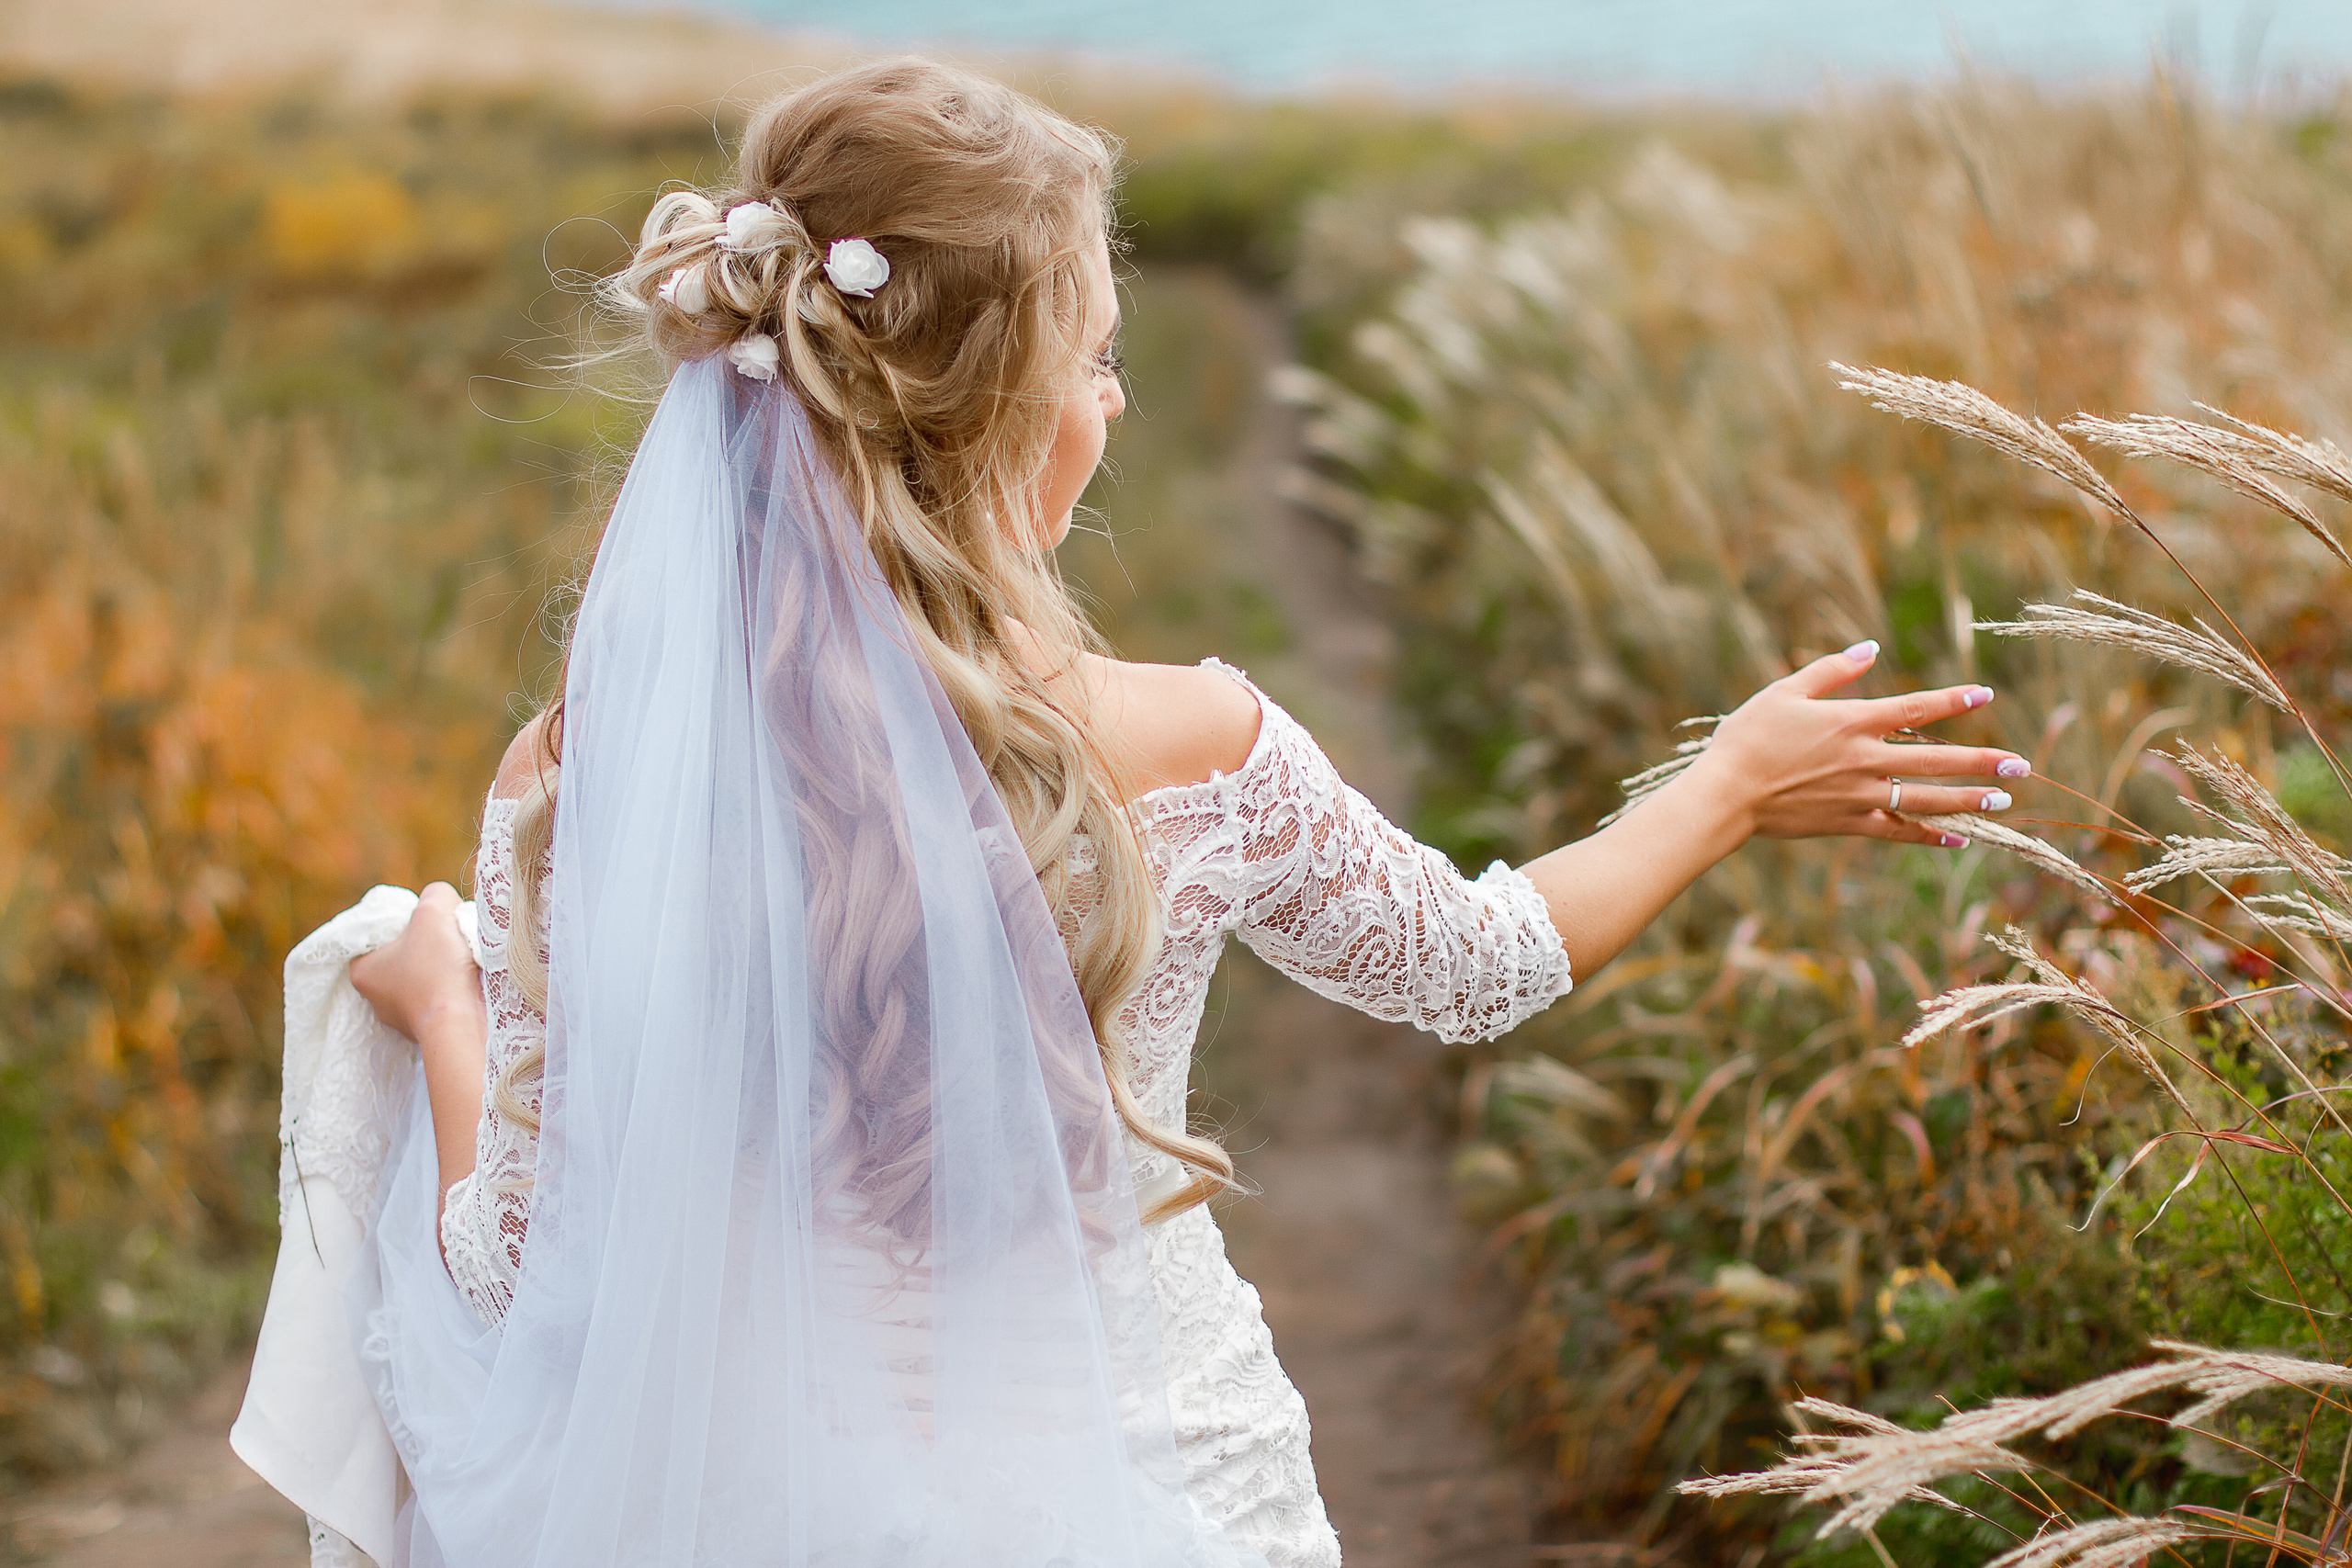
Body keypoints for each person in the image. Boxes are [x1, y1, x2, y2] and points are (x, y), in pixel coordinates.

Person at [344, 58, 2029, 1568]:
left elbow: (512, 1271)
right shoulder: (1189, 747)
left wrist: (444, 1013)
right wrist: (1730, 784)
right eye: (1093, 358)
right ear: (995, 408)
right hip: (1168, 1496)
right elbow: (1478, 964)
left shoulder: (580, 782)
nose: (1114, 403)